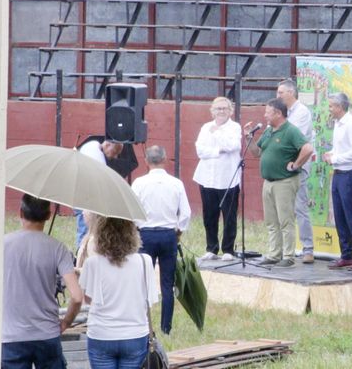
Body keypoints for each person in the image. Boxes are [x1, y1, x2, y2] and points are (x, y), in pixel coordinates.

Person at [2, 194, 83, 369]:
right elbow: (77, 297)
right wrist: (66, 322)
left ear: (21, 212)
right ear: (48, 215)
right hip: (47, 333)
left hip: (10, 335)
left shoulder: (2, 245)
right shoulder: (58, 248)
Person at [79, 217, 159, 369]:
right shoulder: (145, 261)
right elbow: (150, 301)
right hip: (134, 333)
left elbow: (88, 299)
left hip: (101, 333)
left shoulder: (92, 264)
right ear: (132, 234)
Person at [244, 98, 314, 268]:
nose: (265, 115)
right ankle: (275, 254)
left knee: (285, 220)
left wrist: (296, 164)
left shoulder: (290, 131)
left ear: (278, 113)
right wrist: (248, 139)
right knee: (271, 221)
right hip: (268, 182)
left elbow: (308, 148)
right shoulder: (269, 131)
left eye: (268, 112)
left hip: (285, 181)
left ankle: (288, 256)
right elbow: (256, 153)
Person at [131, 145, 191, 335]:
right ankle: (166, 327)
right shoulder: (176, 183)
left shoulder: (139, 183)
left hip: (145, 234)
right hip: (167, 235)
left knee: (141, 282)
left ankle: (142, 324)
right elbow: (186, 213)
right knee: (167, 283)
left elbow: (132, 211)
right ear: (165, 159)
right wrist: (179, 230)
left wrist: (135, 228)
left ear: (146, 161)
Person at [323, 92, 352, 271]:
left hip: (349, 174)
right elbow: (341, 148)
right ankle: (346, 254)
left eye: (331, 106)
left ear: (340, 107)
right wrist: (332, 154)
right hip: (338, 174)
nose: (330, 109)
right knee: (339, 215)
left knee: (351, 215)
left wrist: (335, 159)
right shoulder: (338, 124)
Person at [192, 97, 242, 261]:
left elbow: (231, 146)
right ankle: (211, 248)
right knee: (209, 214)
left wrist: (217, 133)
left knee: (229, 215)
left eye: (224, 108)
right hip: (207, 176)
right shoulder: (206, 127)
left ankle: (228, 249)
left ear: (230, 111)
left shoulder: (234, 127)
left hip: (228, 178)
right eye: (218, 108)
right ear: (212, 110)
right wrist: (217, 151)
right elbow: (200, 150)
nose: (221, 112)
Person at [276, 79, 316, 264]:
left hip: (297, 166)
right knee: (283, 209)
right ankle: (285, 249)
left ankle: (308, 248)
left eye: (281, 92)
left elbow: (290, 136)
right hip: (281, 166)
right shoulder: (283, 113)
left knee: (300, 208)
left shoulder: (301, 112)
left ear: (291, 93)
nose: (278, 96)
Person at [76, 139, 124, 249]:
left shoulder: (92, 145)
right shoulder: (98, 159)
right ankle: (81, 255)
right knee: (85, 230)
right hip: (87, 200)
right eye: (115, 152)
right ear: (107, 145)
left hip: (81, 196)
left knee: (84, 229)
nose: (115, 157)